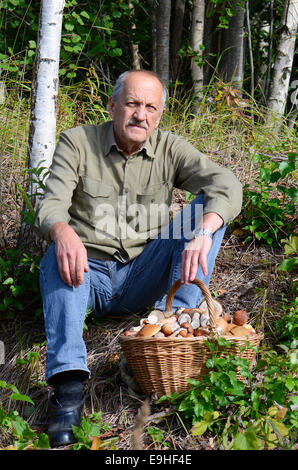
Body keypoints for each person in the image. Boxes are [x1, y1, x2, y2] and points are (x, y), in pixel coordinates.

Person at [35, 69, 242, 447]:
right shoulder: (78, 142)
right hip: (87, 275)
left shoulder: (170, 148)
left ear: (159, 115)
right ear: (113, 106)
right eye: (131, 104)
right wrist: (63, 232)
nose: (140, 115)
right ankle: (67, 389)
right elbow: (51, 205)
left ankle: (174, 327)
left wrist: (203, 232)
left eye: (150, 107)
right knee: (55, 251)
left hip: (144, 273)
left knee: (206, 211)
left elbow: (225, 184)